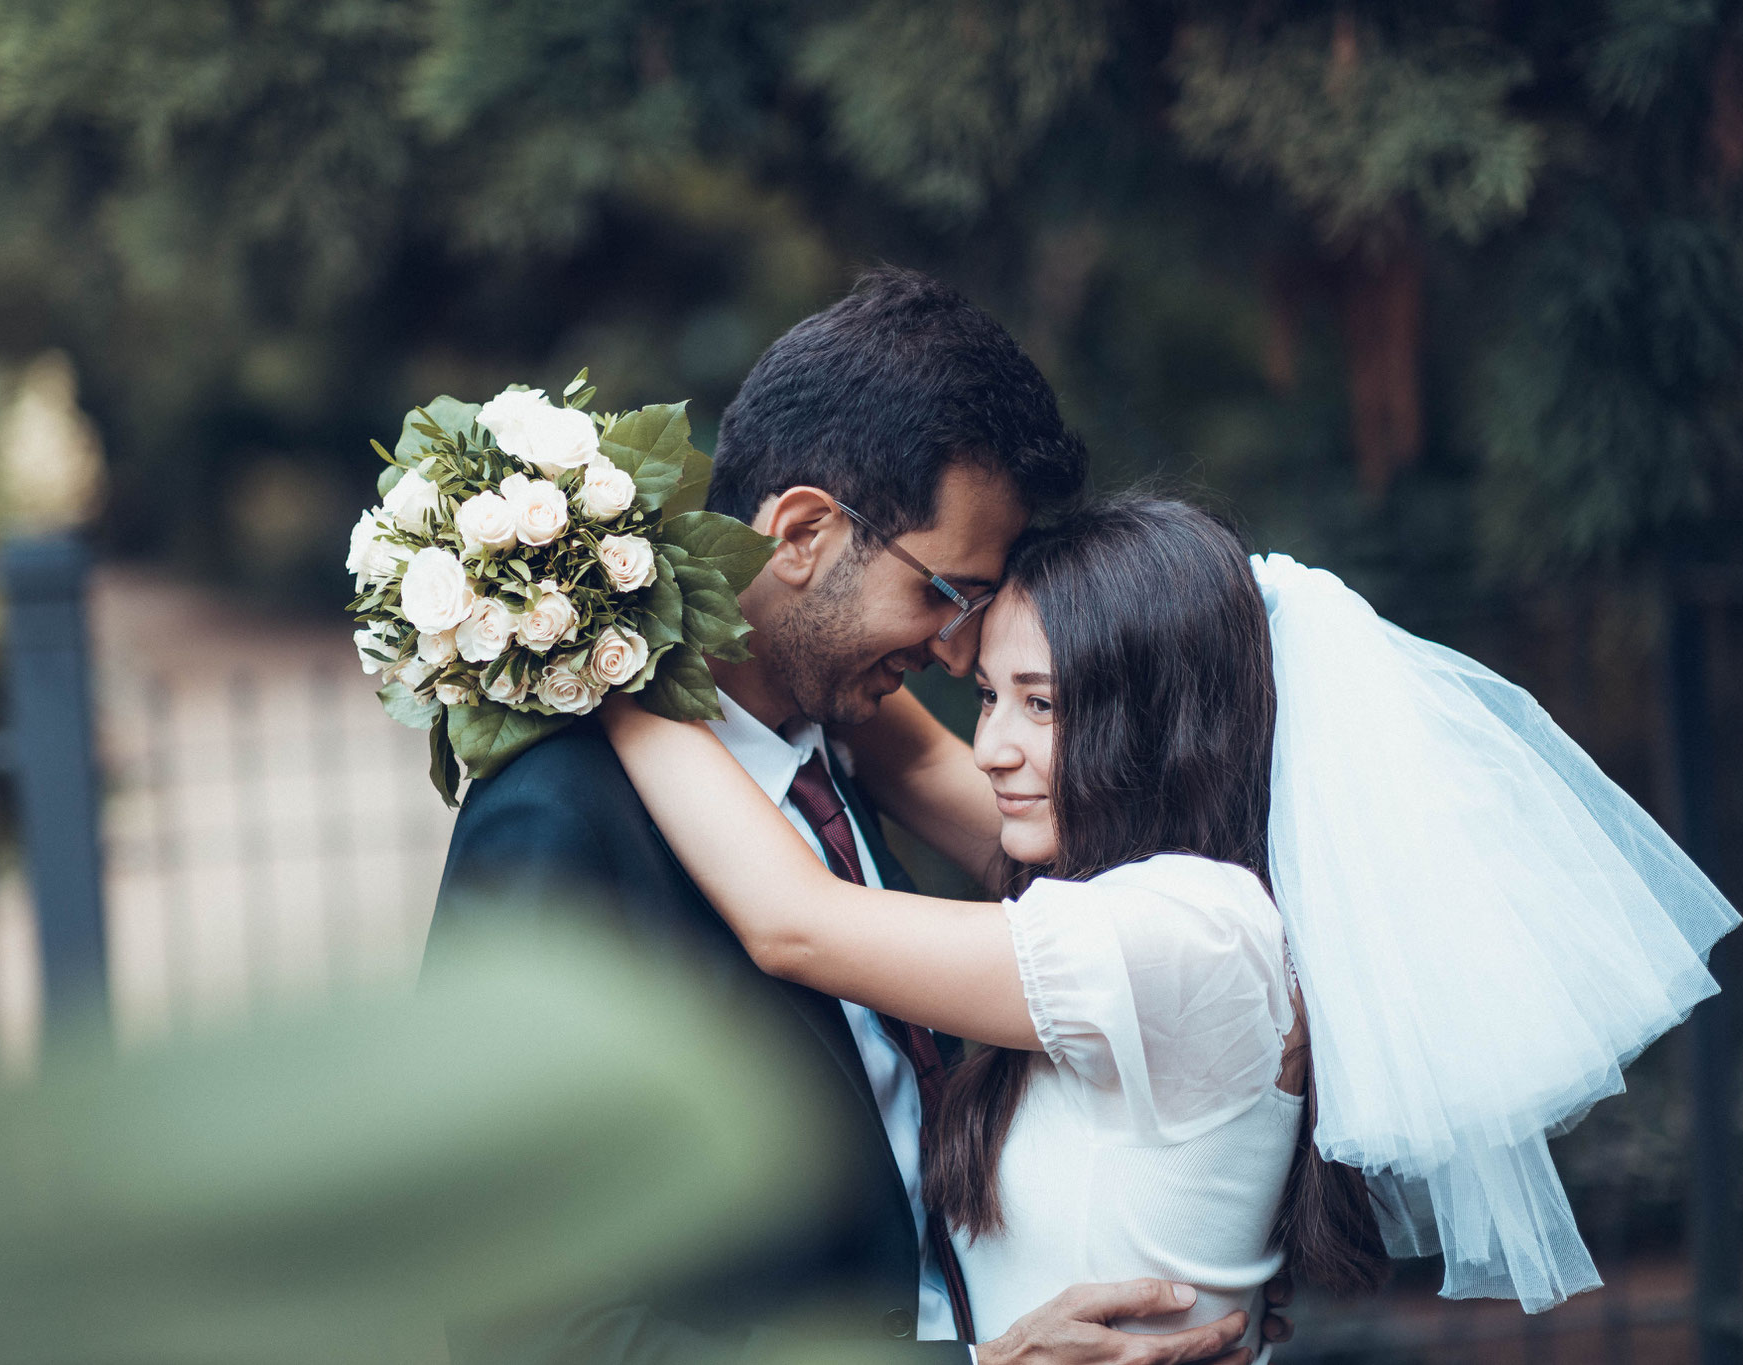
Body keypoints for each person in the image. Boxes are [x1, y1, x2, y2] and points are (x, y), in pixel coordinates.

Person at [599, 493, 1740, 1357]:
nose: (992, 741)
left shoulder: (1182, 937)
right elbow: (896, 745)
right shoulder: (1151, 890)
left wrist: (586, 642)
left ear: (1158, 725)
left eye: (1041, 705)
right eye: (987, 693)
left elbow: (796, 924)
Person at [427, 271, 1289, 1364]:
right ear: (800, 531)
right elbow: (524, 1329)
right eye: (943, 592)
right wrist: (578, 629)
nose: (953, 648)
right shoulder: (555, 815)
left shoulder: (846, 760)